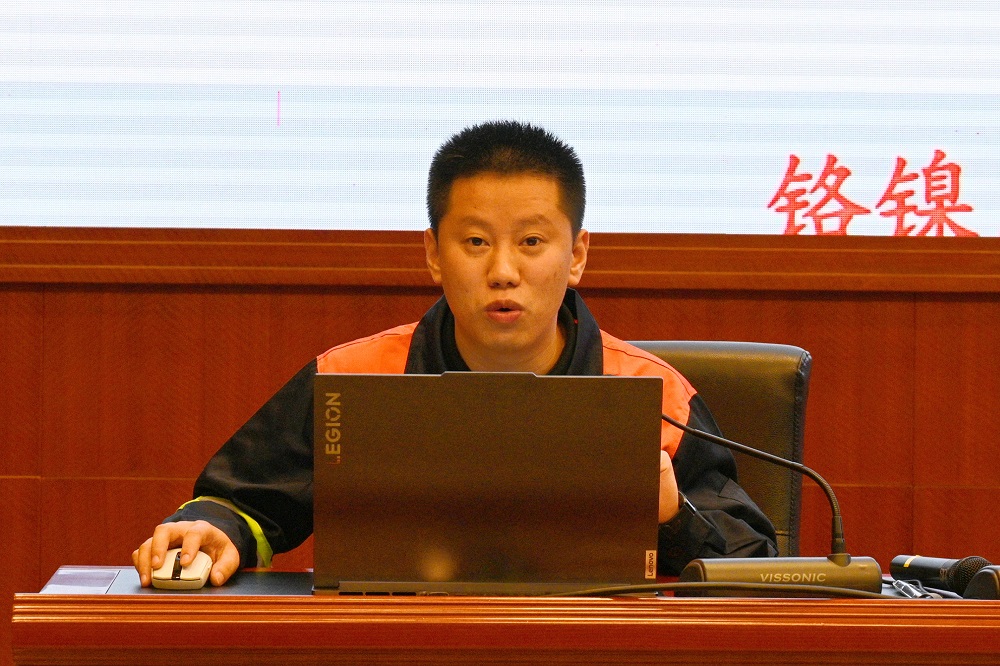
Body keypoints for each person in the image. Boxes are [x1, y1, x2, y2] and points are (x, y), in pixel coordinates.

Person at [132, 120, 777, 588]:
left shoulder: (657, 398)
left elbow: (753, 566)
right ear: (434, 254)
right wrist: (215, 530)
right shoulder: (353, 379)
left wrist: (672, 515)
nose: (503, 272)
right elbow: (245, 502)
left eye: (531, 242)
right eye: (475, 242)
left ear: (577, 255)